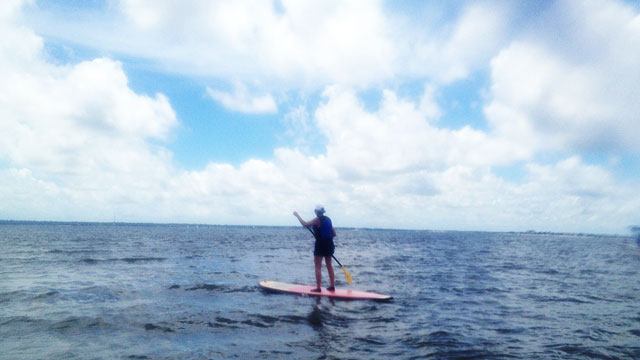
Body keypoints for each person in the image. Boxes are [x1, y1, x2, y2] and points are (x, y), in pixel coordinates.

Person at [293, 205, 337, 292]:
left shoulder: (317, 220)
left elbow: (304, 224)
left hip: (320, 244)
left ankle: (318, 288)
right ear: (323, 212)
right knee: (329, 265)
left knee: (318, 266)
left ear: (317, 212)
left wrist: (297, 215)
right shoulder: (328, 219)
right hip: (329, 243)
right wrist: (326, 239)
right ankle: (332, 286)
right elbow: (334, 233)